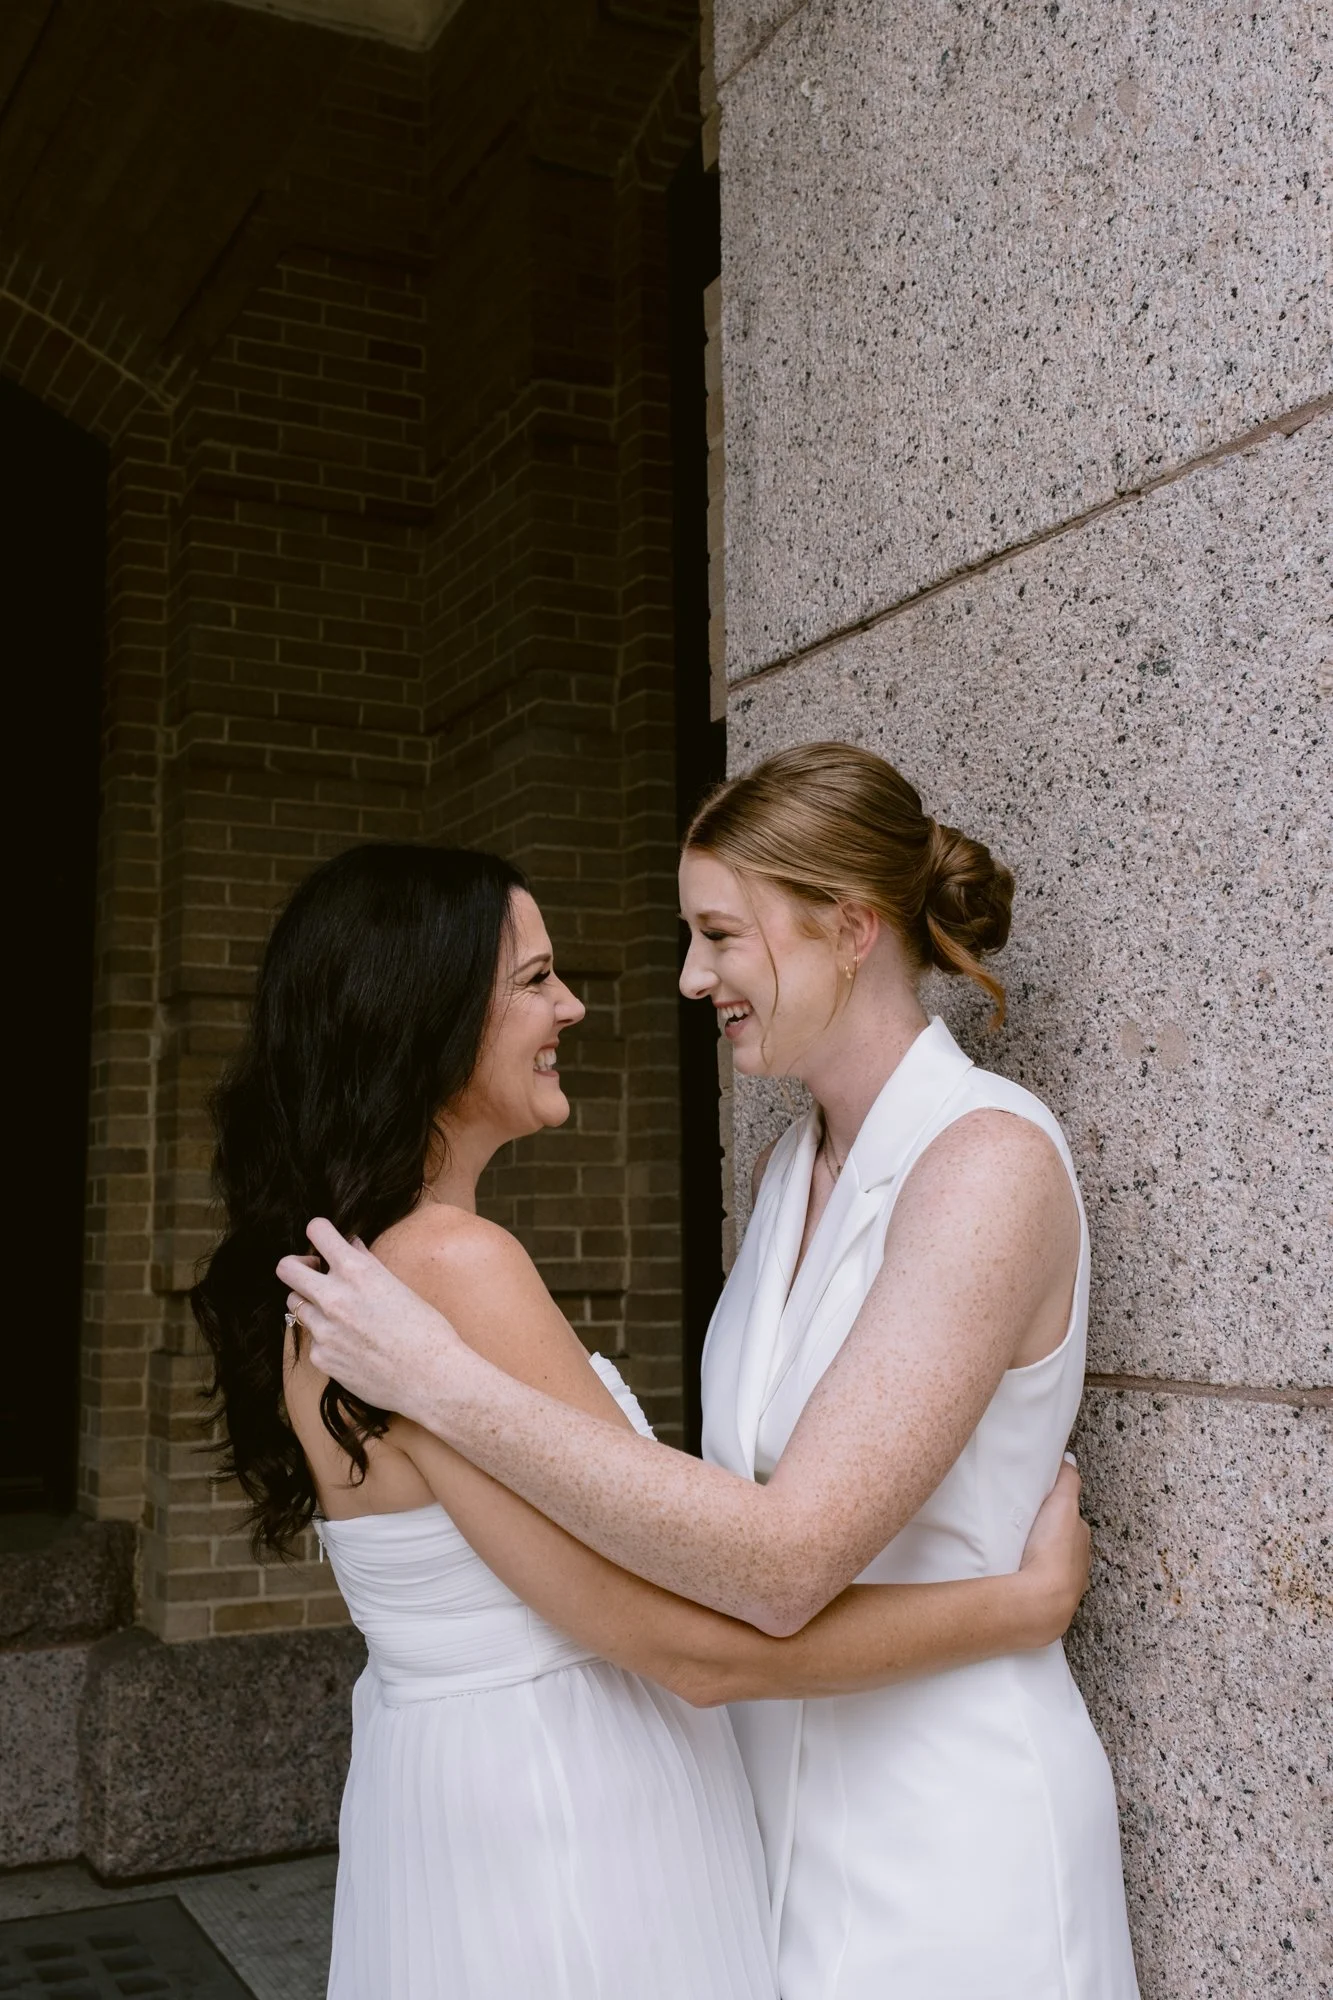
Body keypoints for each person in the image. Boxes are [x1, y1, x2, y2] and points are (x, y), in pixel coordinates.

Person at [282, 744, 1142, 2000]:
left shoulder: (985, 1163)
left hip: (947, 1830)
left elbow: (789, 1556)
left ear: (849, 928)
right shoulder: (789, 1170)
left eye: (718, 936)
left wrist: (447, 1381)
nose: (689, 977)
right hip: (763, 1832)